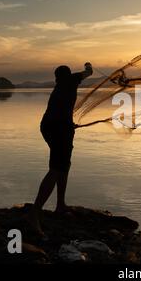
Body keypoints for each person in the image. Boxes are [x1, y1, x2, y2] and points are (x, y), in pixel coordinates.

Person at [28, 63, 93, 235]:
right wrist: (88, 65)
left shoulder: (59, 86)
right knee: (57, 168)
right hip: (59, 129)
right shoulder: (71, 80)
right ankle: (34, 214)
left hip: (52, 127)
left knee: (64, 165)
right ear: (68, 75)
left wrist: (68, 124)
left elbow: (60, 110)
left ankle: (60, 205)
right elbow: (89, 72)